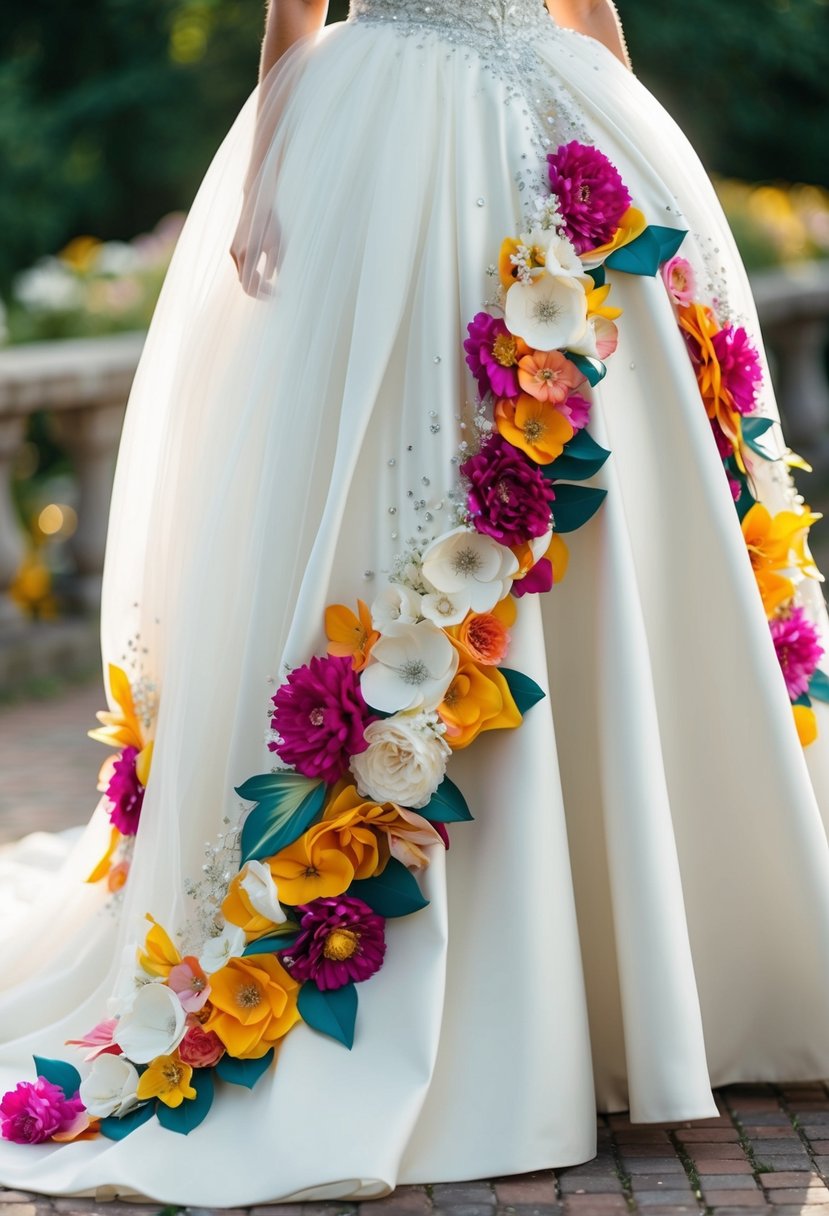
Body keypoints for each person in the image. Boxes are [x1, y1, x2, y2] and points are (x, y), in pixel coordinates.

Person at [2, 0, 829, 1205]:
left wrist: (629, 156)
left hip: (465, 121)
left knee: (545, 470)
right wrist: (266, 185)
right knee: (415, 489)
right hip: (449, 127)